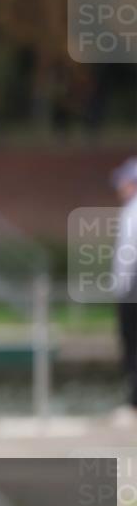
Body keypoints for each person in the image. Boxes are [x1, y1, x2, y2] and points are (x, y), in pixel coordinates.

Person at [112, 157, 137, 421]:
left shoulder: (132, 212)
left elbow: (126, 257)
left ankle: (134, 404)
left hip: (132, 289)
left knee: (132, 345)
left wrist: (121, 287)